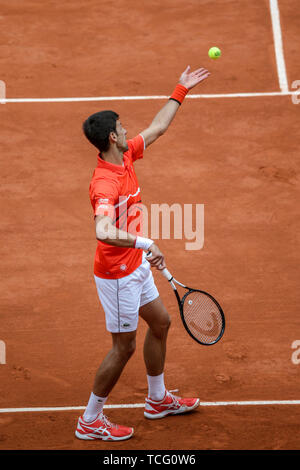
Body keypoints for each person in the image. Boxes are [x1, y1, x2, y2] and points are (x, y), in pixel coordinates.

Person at [75, 66, 210, 441]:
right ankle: (90, 419)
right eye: (122, 125)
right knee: (124, 347)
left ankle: (157, 400)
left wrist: (181, 89)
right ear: (113, 137)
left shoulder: (126, 155)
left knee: (162, 323)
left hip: (135, 266)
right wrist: (145, 242)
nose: (128, 128)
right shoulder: (105, 181)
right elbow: (102, 230)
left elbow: (158, 127)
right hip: (117, 274)